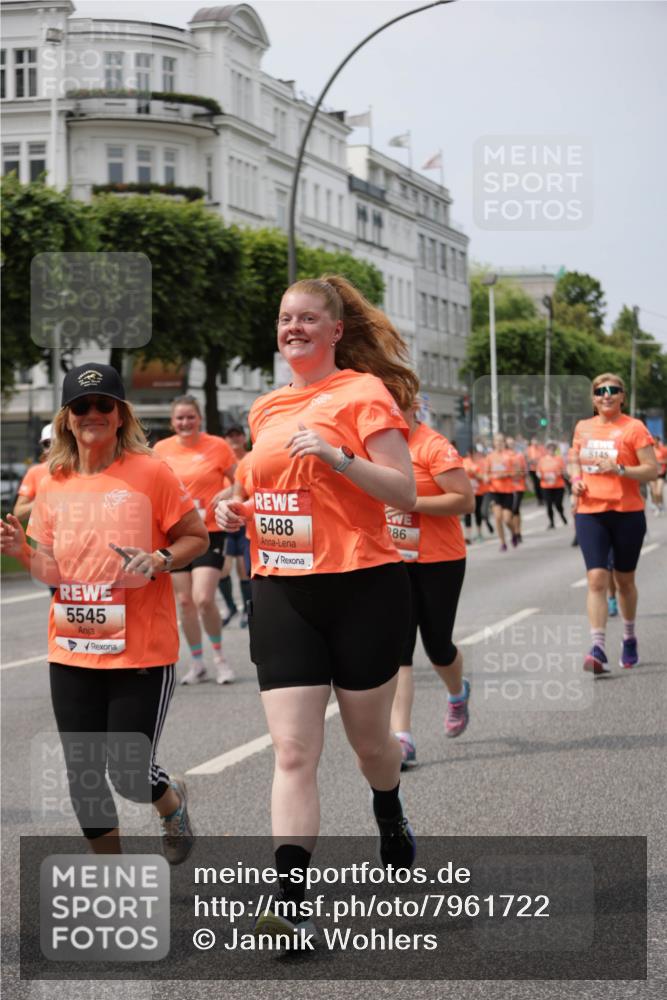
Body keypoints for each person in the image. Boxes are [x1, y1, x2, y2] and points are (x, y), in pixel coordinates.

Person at [215, 275, 419, 940]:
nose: (292, 328)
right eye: (284, 319)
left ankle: (386, 807)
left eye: (306, 318)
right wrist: (233, 509)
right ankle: (292, 902)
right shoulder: (266, 409)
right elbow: (270, 495)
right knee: (294, 750)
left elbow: (404, 491)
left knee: (370, 748)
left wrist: (337, 459)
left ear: (334, 332)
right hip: (282, 588)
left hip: (362, 585)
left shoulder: (364, 394)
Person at [0, 363, 208, 861]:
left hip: (141, 650)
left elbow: (196, 538)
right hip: (73, 648)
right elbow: (52, 569)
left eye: (103, 405)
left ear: (120, 415)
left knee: (130, 773)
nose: (91, 414)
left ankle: (170, 801)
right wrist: (23, 553)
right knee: (84, 772)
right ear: (68, 419)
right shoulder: (53, 481)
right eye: (81, 407)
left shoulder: (152, 471)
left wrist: (160, 559)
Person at [387, 404, 474, 769]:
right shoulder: (377, 446)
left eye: (392, 407)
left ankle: (458, 692)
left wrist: (411, 501)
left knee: (437, 646)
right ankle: (402, 737)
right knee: (398, 649)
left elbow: (464, 500)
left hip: (440, 559)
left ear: (410, 407)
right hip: (393, 559)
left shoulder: (432, 446)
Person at [569, 373, 657, 673]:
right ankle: (598, 647)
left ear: (622, 396)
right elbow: (574, 460)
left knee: (624, 581)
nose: (606, 395)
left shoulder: (634, 428)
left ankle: (629, 636)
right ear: (593, 398)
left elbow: (651, 470)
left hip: (627, 512)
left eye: (612, 390)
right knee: (596, 578)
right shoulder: (583, 427)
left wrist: (620, 468)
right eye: (599, 391)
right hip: (590, 511)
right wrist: (576, 481)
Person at [154, 397, 237, 685]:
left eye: (190, 417)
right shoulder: (160, 450)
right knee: (185, 601)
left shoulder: (218, 446)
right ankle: (198, 661)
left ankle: (220, 658)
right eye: (179, 419)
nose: (185, 423)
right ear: (171, 423)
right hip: (175, 533)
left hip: (209, 531)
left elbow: (241, 480)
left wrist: (228, 493)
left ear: (199, 418)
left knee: (203, 598)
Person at [218, 425, 252, 628]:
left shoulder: (249, 458)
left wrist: (232, 490)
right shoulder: (222, 461)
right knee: (223, 569)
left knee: (242, 569)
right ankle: (230, 606)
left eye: (237, 434)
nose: (234, 438)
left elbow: (243, 485)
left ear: (243, 437)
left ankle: (247, 610)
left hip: (244, 520)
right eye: (230, 435)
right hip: (225, 522)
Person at [13, 423, 53, 522]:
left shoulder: (81, 469)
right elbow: (18, 513)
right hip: (42, 536)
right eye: (47, 444)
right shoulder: (35, 472)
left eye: (58, 443)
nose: (52, 448)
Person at [484, 433, 514, 551]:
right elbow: (486, 473)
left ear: (504, 443)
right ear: (494, 443)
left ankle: (513, 533)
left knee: (507, 519)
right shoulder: (490, 457)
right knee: (497, 517)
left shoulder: (510, 456)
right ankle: (503, 542)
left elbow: (516, 473)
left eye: (501, 441)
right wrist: (486, 477)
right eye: (497, 441)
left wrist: (505, 474)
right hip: (494, 490)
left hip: (507, 490)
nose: (499, 443)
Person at [462, 448, 491, 543]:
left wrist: (478, 475)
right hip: (468, 492)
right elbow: (465, 472)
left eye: (474, 454)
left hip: (479, 491)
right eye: (471, 454)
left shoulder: (481, 462)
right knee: (467, 513)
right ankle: (468, 536)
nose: (473, 456)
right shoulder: (465, 461)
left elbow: (483, 476)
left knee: (478, 512)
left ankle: (479, 533)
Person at [537, 441, 568, 529]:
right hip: (546, 486)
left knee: (558, 504)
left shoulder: (559, 459)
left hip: (558, 485)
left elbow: (564, 471)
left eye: (553, 448)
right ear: (546, 449)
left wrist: (558, 473)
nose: (551, 450)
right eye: (549, 448)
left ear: (555, 449)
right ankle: (551, 522)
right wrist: (541, 475)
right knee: (549, 505)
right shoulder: (542, 460)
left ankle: (562, 515)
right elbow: (538, 472)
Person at [506, 435, 527, 546]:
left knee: (515, 509)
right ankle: (514, 531)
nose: (510, 445)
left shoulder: (519, 456)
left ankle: (518, 532)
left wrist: (519, 474)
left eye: (512, 443)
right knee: (510, 512)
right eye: (508, 443)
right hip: (507, 488)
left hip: (518, 486)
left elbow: (525, 471)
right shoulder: (504, 456)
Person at [649, 434, 667, 514]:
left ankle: (660, 504)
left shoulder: (663, 450)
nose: (654, 442)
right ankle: (657, 507)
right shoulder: (650, 450)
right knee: (654, 491)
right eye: (653, 441)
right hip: (652, 473)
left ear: (658, 441)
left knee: (659, 491)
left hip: (661, 473)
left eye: (656, 441)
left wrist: (660, 462)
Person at [526, 438, 546, 505]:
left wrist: (540, 461)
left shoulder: (541, 448)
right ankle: (539, 499)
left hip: (542, 469)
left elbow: (545, 457)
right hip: (533, 469)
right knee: (536, 484)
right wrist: (532, 461)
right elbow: (527, 459)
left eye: (536, 442)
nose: (535, 443)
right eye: (533, 442)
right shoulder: (529, 449)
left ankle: (544, 497)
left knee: (542, 483)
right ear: (531, 442)